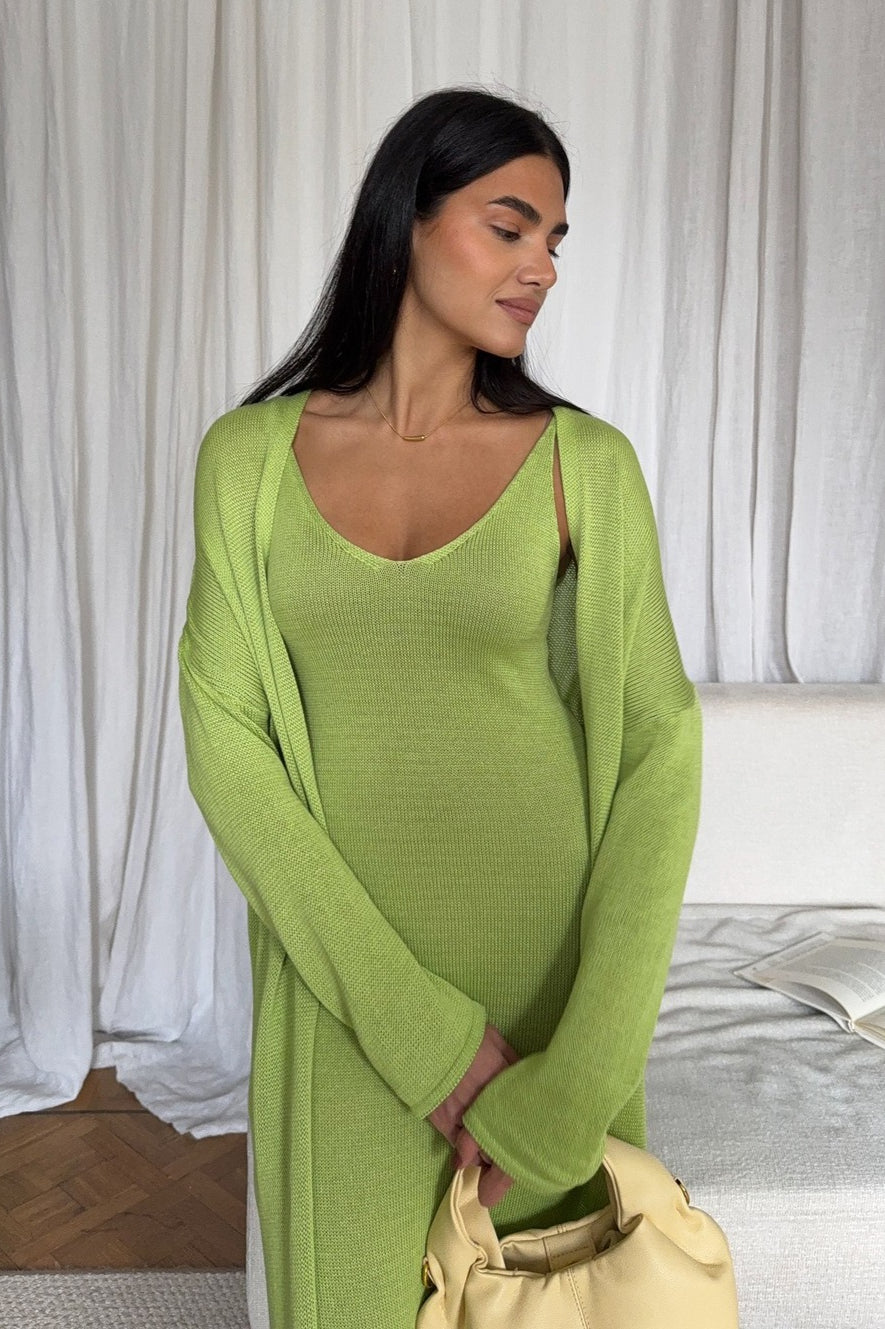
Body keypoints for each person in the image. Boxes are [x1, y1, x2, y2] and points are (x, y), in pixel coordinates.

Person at [177, 86, 703, 1329]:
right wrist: (423, 1038)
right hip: (343, 984)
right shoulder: (248, 461)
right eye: (509, 227)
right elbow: (225, 741)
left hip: (542, 992)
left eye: (555, 241)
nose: (542, 267)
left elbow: (657, 751)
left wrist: (582, 1072)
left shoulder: (586, 466)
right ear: (404, 221)